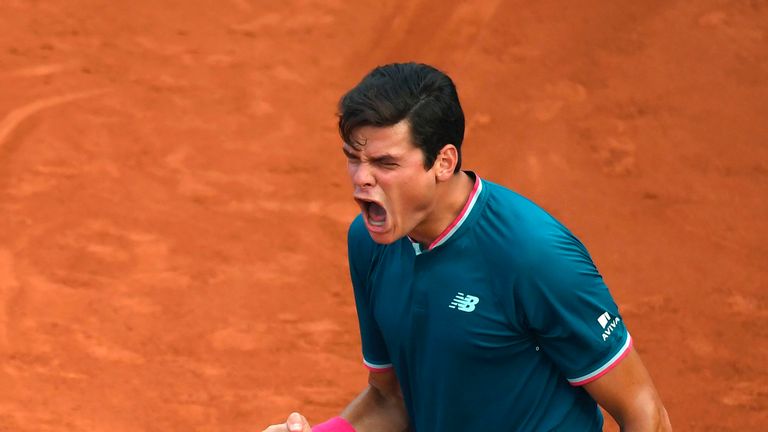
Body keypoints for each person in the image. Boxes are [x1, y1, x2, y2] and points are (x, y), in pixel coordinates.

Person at [263, 63, 671, 432]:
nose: (361, 179)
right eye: (354, 158)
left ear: (443, 161)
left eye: (386, 164)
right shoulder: (370, 244)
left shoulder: (533, 256)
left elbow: (643, 411)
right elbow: (393, 399)